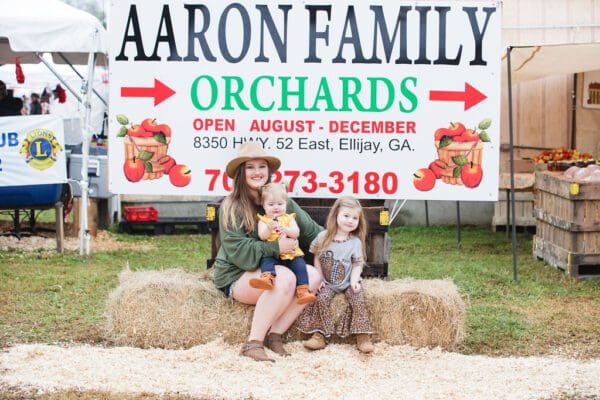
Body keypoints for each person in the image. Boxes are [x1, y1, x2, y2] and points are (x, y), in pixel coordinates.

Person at [213, 142, 323, 362]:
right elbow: (238, 251)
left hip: (275, 270)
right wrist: (275, 247)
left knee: (312, 276)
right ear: (240, 173)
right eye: (250, 167)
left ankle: (275, 335)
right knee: (283, 278)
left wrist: (343, 242)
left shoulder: (280, 201)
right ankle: (253, 343)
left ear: (269, 171)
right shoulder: (232, 206)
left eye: (262, 166)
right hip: (238, 275)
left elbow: (314, 233)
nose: (257, 172)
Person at [297, 196, 375, 353]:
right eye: (346, 216)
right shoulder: (323, 236)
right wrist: (319, 277)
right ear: (336, 215)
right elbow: (317, 256)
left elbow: (357, 263)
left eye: (355, 218)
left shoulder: (355, 242)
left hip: (347, 281)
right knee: (321, 299)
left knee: (358, 298)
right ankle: (319, 335)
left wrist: (354, 281)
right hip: (327, 282)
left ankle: (362, 335)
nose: (350, 221)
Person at [251, 182, 317, 305]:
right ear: (264, 206)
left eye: (280, 204)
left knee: (300, 266)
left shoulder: (289, 218)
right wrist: (269, 228)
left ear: (286, 204)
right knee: (266, 260)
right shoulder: (264, 220)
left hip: (290, 253)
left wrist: (287, 230)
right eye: (271, 204)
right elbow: (262, 236)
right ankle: (267, 278)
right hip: (273, 253)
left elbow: (296, 233)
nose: (276, 207)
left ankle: (303, 290)